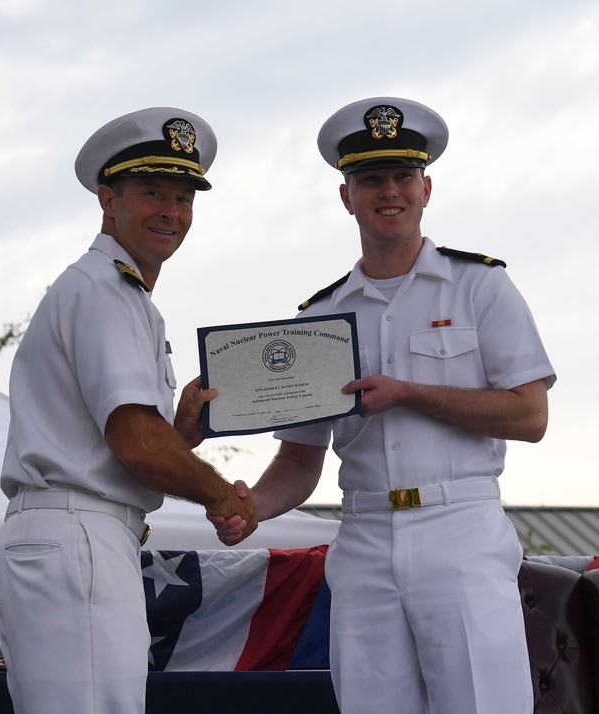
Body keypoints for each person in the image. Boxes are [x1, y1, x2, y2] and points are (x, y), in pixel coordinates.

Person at [212, 97, 556, 713]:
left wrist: (409, 393)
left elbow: (530, 416)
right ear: (347, 197)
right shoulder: (318, 319)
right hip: (365, 534)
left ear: (426, 188)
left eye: (402, 177)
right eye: (370, 179)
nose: (388, 192)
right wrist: (249, 509)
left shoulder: (481, 285)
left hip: (461, 530)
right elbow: (299, 462)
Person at [0, 107, 256, 714]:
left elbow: (124, 444)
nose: (172, 211)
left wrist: (179, 436)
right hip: (78, 533)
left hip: (79, 532)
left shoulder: (116, 292)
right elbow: (135, 444)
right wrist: (221, 495)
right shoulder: (105, 289)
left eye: (185, 197)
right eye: (153, 193)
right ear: (108, 200)